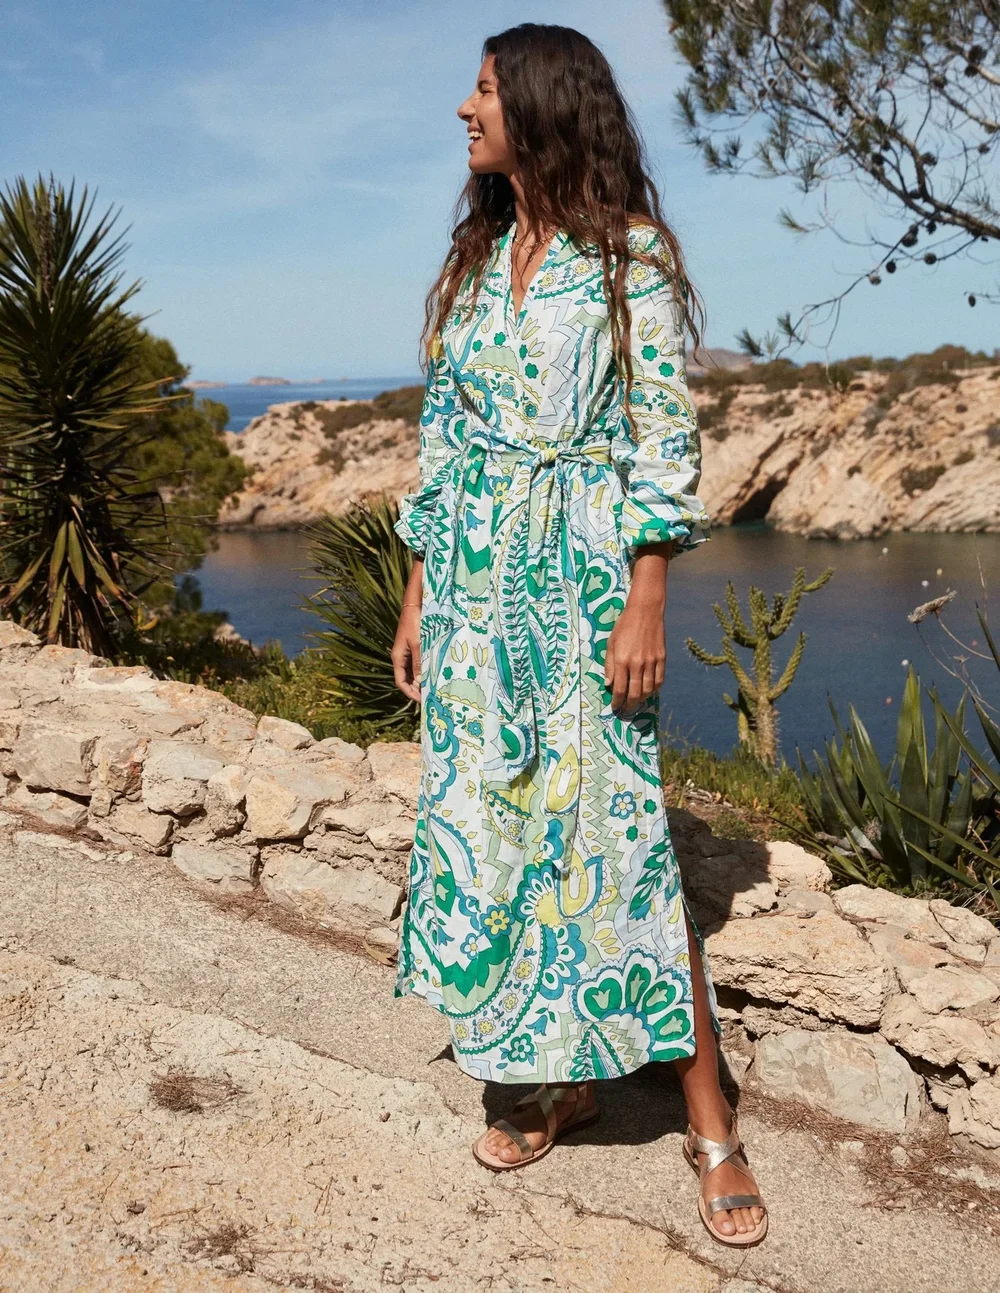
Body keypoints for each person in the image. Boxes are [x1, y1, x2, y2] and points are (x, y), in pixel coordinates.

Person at [390, 22, 767, 1248]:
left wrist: (646, 595)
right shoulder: (478, 256)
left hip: (584, 584)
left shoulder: (628, 256)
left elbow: (663, 435)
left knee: (614, 838)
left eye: (484, 90)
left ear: (543, 105)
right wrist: (417, 592)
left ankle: (710, 1121)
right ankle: (558, 1079)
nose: (465, 109)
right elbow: (444, 439)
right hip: (472, 592)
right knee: (501, 834)